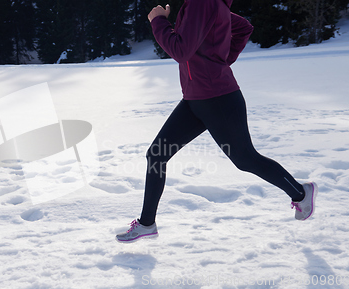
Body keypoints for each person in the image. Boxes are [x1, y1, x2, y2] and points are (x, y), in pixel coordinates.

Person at [116, 0, 318, 243]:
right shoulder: (203, 5)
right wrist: (218, 61)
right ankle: (147, 223)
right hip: (194, 99)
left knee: (246, 160)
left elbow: (180, 51)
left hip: (219, 99)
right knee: (157, 155)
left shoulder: (202, 3)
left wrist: (158, 21)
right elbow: (242, 28)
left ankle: (300, 192)